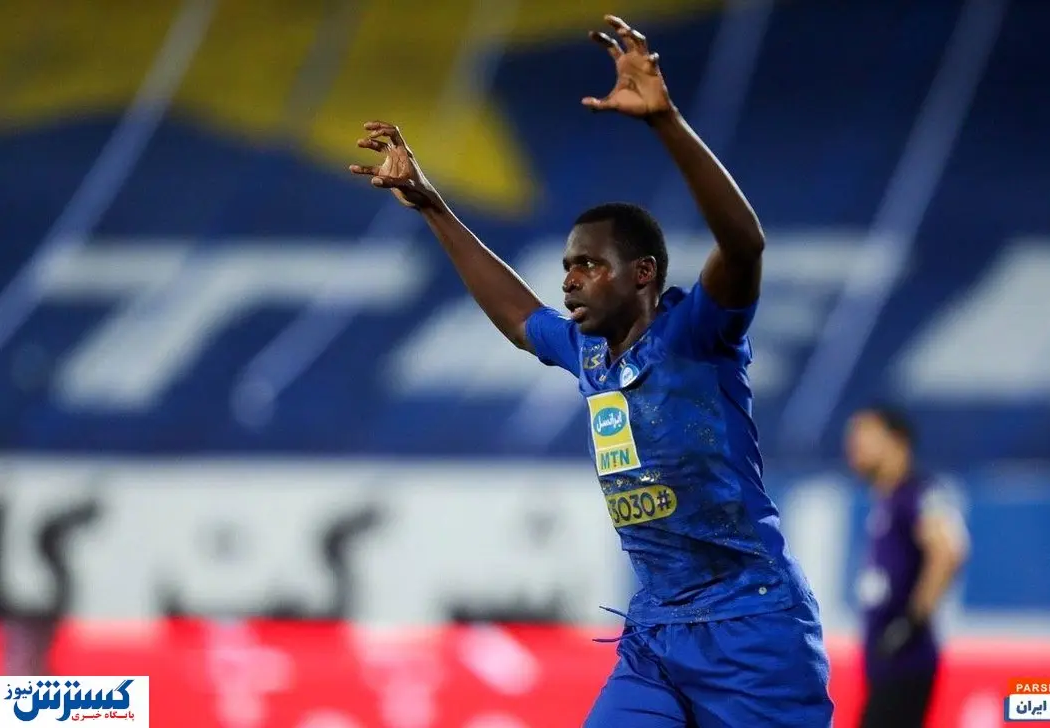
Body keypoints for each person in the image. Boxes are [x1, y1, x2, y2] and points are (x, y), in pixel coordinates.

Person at [350, 13, 832, 728]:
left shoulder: (696, 337)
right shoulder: (589, 352)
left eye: (588, 265)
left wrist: (666, 121)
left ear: (643, 273)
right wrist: (433, 205)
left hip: (751, 631)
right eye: (567, 265)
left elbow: (744, 245)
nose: (570, 280)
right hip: (656, 634)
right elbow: (519, 316)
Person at [844, 406, 970, 728]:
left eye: (865, 433)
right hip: (887, 662)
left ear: (897, 440)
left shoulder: (917, 494)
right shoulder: (887, 500)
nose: (854, 444)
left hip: (906, 661)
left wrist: (911, 622)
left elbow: (949, 551)